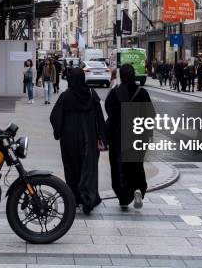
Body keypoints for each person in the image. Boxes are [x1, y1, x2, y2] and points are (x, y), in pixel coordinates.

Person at [50, 68, 106, 214]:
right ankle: (88, 197)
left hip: (69, 138)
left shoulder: (66, 96)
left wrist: (59, 132)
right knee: (89, 168)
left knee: (71, 167)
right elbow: (99, 117)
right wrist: (102, 137)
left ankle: (74, 198)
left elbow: (54, 116)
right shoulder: (91, 94)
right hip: (89, 136)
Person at [105, 64, 152, 210]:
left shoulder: (115, 93)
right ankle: (138, 189)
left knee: (119, 166)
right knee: (136, 164)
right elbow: (150, 114)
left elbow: (109, 112)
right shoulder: (142, 92)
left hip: (119, 136)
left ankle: (123, 196)